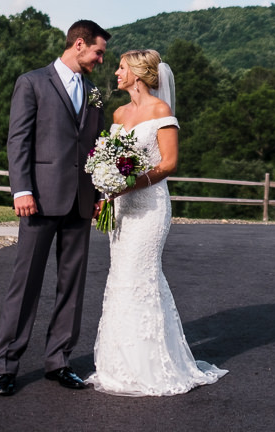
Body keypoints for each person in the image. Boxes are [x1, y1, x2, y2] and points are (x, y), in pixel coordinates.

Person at [86, 49, 227, 396]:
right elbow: (109, 159)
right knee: (119, 278)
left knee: (140, 276)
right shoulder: (118, 113)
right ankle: (118, 364)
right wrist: (105, 192)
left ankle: (153, 365)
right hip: (120, 207)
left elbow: (168, 164)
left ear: (136, 73)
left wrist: (131, 183)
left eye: (120, 68)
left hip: (149, 206)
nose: (115, 73)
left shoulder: (161, 111)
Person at [0, 20, 111, 397]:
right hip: (38, 199)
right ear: (79, 44)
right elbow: (18, 140)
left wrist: (100, 193)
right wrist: (21, 189)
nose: (101, 60)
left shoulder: (95, 94)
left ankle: (59, 361)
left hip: (80, 201)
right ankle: (6, 365)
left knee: (71, 286)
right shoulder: (32, 82)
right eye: (98, 52)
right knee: (25, 284)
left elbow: (96, 148)